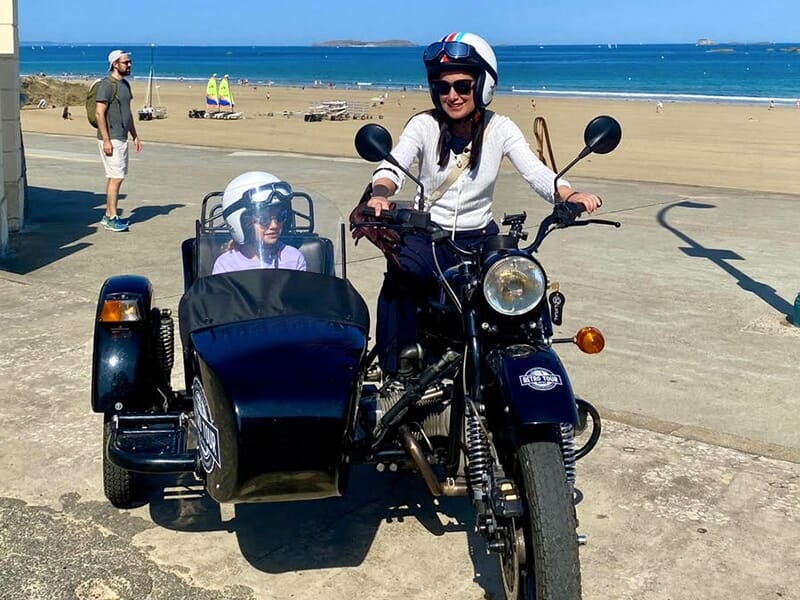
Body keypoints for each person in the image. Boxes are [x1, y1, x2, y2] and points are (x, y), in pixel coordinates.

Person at [359, 32, 603, 374]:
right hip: (429, 235)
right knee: (403, 277)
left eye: (462, 85)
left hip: (481, 237)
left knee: (522, 280)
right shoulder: (424, 124)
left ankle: (534, 358)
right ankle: (395, 369)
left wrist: (568, 195)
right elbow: (393, 165)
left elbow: (535, 171)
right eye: (443, 87)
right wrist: (381, 193)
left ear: (483, 85)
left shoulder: (499, 128)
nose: (452, 95)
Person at [212, 171, 307, 274]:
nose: (274, 225)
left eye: (280, 216)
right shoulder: (226, 265)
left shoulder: (293, 258)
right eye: (263, 219)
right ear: (244, 224)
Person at [96, 50, 141, 232]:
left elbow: (128, 113)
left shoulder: (125, 85)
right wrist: (106, 140)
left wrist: (135, 134)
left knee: (113, 176)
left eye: (129, 62)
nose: (129, 65)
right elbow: (99, 113)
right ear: (115, 64)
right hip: (112, 138)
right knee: (117, 177)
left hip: (121, 137)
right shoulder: (107, 85)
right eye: (126, 62)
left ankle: (108, 214)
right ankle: (113, 217)